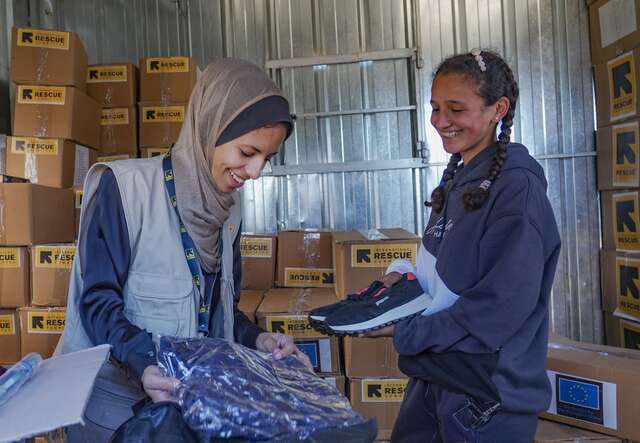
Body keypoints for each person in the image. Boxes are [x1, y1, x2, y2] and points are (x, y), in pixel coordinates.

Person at [61, 58, 311, 441]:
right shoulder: (125, 190)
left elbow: (217, 310)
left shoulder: (227, 212)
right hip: (116, 416)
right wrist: (144, 363)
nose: (256, 172)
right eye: (247, 153)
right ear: (209, 129)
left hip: (188, 413)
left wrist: (256, 339)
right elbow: (96, 303)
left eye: (267, 158)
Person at [365, 49, 561, 442]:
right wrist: (400, 283)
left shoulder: (515, 191)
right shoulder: (460, 179)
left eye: (456, 108)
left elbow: (499, 307)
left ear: (497, 109)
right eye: (435, 108)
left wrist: (403, 332)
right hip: (437, 378)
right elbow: (444, 278)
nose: (440, 122)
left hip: (485, 398)